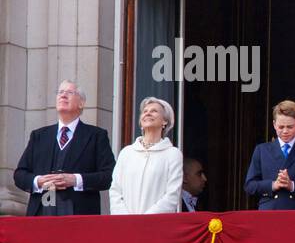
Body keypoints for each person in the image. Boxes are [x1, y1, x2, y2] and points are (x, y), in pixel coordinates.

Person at [14, 80, 115, 216]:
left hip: (78, 215)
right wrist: (38, 181)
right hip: (41, 212)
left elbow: (109, 176)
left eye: (69, 92)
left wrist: (75, 180)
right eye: (60, 92)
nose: (63, 95)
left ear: (81, 103)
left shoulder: (96, 136)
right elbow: (20, 175)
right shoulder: (39, 136)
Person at [244, 100, 295, 210]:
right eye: (281, 127)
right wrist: (273, 185)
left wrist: (292, 185)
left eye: (290, 127)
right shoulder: (261, 150)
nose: (285, 131)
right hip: (269, 212)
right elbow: (250, 186)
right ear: (274, 124)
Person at [109, 97, 184, 215]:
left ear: (165, 121)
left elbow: (172, 195)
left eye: (154, 111)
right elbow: (115, 191)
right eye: (145, 111)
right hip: (125, 225)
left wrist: (146, 220)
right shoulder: (127, 153)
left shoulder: (172, 154)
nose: (148, 113)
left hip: (156, 225)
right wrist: (124, 218)